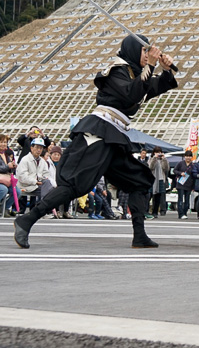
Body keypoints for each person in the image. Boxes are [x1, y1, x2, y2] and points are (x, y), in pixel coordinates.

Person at [13, 34, 177, 249]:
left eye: (149, 52)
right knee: (76, 184)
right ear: (132, 50)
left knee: (140, 180)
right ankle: (27, 220)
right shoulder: (117, 70)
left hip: (115, 135)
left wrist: (166, 69)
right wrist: (153, 66)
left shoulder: (135, 74)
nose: (147, 55)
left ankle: (139, 235)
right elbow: (131, 94)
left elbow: (153, 87)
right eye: (144, 51)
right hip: (99, 131)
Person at [16, 137, 54, 212]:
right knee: (47, 187)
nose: (39, 150)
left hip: (38, 186)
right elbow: (22, 177)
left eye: (41, 148)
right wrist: (35, 181)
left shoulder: (42, 161)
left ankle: (43, 207)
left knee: (52, 188)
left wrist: (42, 179)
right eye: (37, 147)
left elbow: (46, 174)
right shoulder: (25, 160)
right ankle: (43, 208)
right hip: (26, 185)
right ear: (31, 148)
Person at [174, 151, 196, 219]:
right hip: (181, 184)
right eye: (187, 156)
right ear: (184, 156)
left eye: (189, 156)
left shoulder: (193, 165)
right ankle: (180, 214)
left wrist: (193, 186)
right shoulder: (180, 163)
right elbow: (174, 170)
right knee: (180, 199)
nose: (188, 158)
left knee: (187, 200)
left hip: (189, 185)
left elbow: (194, 175)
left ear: (191, 157)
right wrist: (180, 173)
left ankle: (184, 213)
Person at [149, 147, 169, 218]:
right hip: (153, 179)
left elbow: (166, 168)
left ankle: (155, 212)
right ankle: (146, 210)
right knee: (150, 195)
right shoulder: (151, 159)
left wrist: (164, 159)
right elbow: (150, 167)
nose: (158, 153)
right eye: (157, 152)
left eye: (159, 152)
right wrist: (154, 158)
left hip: (161, 179)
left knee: (158, 197)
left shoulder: (163, 160)